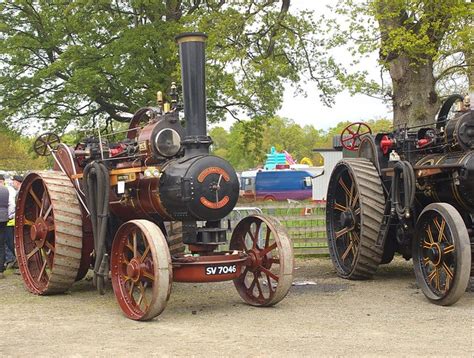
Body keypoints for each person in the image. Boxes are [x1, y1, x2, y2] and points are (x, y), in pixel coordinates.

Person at [5, 175, 22, 269]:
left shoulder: (19, 192)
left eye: (14, 181)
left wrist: (11, 215)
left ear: (17, 182)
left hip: (13, 220)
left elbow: (13, 205)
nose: (13, 183)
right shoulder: (16, 191)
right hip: (15, 220)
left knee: (10, 241)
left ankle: (14, 259)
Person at [0, 174, 14, 279]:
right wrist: (9, 215)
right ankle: (1, 269)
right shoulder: (6, 190)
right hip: (4, 219)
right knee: (1, 244)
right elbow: (11, 205)